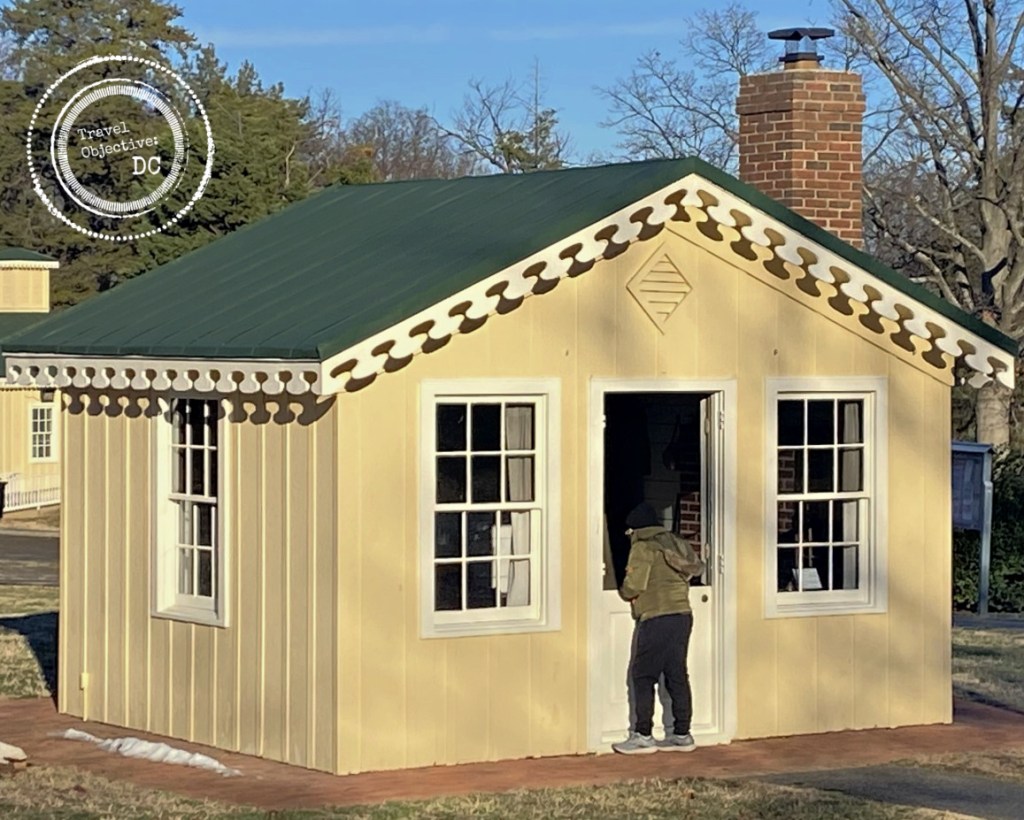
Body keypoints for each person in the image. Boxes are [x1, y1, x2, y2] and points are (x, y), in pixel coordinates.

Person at [612, 502, 704, 755]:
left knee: (643, 675)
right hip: (682, 614)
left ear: (635, 529)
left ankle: (642, 734)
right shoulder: (676, 542)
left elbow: (634, 585)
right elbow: (694, 568)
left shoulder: (644, 546)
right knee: (676, 674)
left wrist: (623, 593)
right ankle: (682, 734)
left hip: (656, 616)